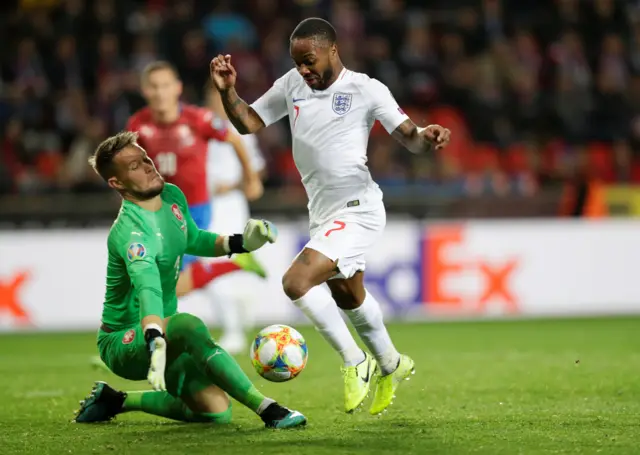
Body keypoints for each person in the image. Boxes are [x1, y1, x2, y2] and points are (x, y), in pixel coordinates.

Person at [210, 17, 451, 416]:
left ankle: (355, 361)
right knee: (348, 295)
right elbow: (249, 122)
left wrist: (428, 136)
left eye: (309, 61)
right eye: (298, 62)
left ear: (332, 50)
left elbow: (410, 136)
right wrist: (228, 91)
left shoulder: (366, 89)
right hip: (322, 213)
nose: (304, 70)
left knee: (296, 281)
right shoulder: (291, 84)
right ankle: (391, 362)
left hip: (359, 207)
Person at [73, 131, 306, 429]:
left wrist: (240, 243)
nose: (147, 165)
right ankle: (269, 409)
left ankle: (115, 400)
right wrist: (154, 335)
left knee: (215, 413)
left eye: (145, 158)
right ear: (117, 183)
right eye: (134, 166)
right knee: (189, 324)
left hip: (164, 333)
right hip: (126, 341)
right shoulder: (130, 234)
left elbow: (193, 238)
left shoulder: (171, 196)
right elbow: (148, 287)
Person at [127, 61, 265, 301]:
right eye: (154, 87)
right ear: (144, 90)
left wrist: (250, 178)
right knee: (169, 288)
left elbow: (234, 140)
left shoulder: (198, 119)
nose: (160, 92)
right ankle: (235, 263)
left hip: (193, 211)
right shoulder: (138, 125)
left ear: (177, 88)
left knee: (159, 288)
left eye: (165, 85)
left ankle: (158, 335)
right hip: (159, 211)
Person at [204, 84, 268, 355]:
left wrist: (231, 186)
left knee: (216, 263)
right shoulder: (200, 130)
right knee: (211, 266)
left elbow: (258, 170)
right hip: (204, 205)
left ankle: (233, 330)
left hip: (229, 204)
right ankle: (236, 322)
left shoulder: (238, 131)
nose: (214, 104)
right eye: (211, 99)